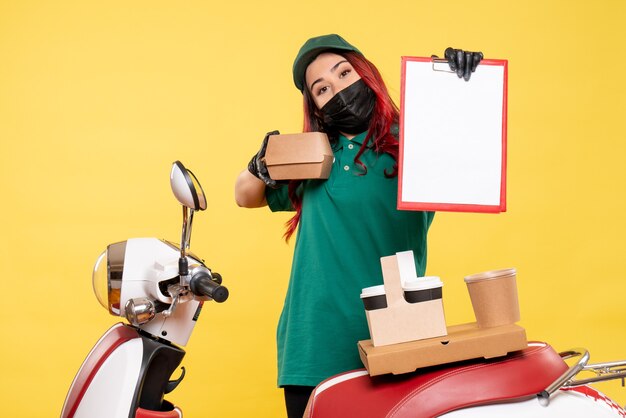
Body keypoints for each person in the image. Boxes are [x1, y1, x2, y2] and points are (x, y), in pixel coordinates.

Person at [235, 34, 482, 418]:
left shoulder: (412, 144)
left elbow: (470, 155)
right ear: (316, 107)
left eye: (345, 73)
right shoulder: (313, 153)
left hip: (396, 337)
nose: (339, 89)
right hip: (314, 342)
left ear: (366, 74)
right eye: (322, 88)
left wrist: (455, 85)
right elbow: (244, 195)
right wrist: (262, 162)